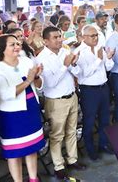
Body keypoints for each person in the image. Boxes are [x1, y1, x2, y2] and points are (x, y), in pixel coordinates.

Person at [35, 26, 86, 180]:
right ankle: (59, 166)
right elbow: (49, 84)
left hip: (71, 96)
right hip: (56, 101)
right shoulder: (41, 58)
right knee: (57, 135)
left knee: (72, 130)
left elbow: (77, 73)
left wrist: (73, 64)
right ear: (45, 41)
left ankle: (72, 159)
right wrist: (65, 65)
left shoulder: (64, 51)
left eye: (60, 36)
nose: (59, 40)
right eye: (55, 37)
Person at [0, 35, 45, 182]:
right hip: (11, 116)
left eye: (18, 43)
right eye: (12, 45)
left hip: (31, 109)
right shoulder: (0, 68)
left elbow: (38, 85)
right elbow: (4, 94)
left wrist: (36, 77)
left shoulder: (26, 61)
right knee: (14, 153)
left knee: (31, 149)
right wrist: (29, 80)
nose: (17, 46)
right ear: (2, 49)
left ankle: (33, 178)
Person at [74, 25, 115, 161]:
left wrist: (108, 57)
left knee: (104, 119)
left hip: (103, 87)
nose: (95, 38)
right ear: (83, 37)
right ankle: (90, 149)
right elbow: (84, 73)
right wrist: (98, 60)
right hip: (89, 91)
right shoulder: (79, 52)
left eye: (96, 35)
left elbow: (108, 67)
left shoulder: (99, 48)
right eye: (92, 36)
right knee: (89, 121)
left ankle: (103, 144)